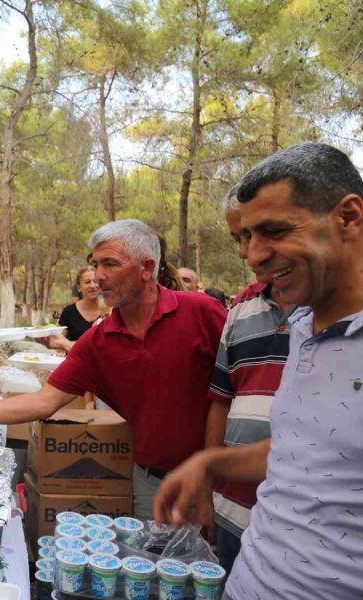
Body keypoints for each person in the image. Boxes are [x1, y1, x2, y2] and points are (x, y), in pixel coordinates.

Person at [154, 142, 363, 599]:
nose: (254, 256)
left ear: (348, 217)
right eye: (247, 237)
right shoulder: (305, 325)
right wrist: (211, 464)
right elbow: (305, 451)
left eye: (274, 231)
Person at [0, 219, 226, 519]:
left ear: (146, 268)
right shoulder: (98, 342)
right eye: (95, 264)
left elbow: (241, 395)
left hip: (225, 480)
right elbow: (44, 401)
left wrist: (210, 483)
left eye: (110, 264)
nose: (98, 276)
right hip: (154, 483)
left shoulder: (202, 313)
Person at [203, 189, 295, 574]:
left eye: (259, 234)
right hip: (233, 510)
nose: (248, 252)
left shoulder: (335, 311)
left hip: (300, 522)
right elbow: (221, 401)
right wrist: (208, 484)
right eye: (239, 239)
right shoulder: (240, 309)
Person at [46, 266, 109, 353]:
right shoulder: (69, 312)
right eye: (87, 282)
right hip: (75, 363)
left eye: (96, 281)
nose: (93, 285)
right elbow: (58, 342)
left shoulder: (110, 311)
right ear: (79, 287)